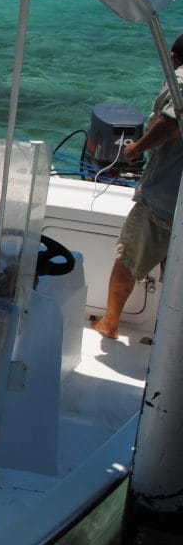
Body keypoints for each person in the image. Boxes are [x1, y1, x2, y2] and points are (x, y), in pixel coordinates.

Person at [91, 33, 183, 340]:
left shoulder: (181, 79)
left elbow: (171, 123)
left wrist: (136, 149)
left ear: (172, 57)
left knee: (128, 259)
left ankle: (110, 323)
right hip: (176, 202)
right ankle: (167, 342)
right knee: (175, 278)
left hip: (162, 200)